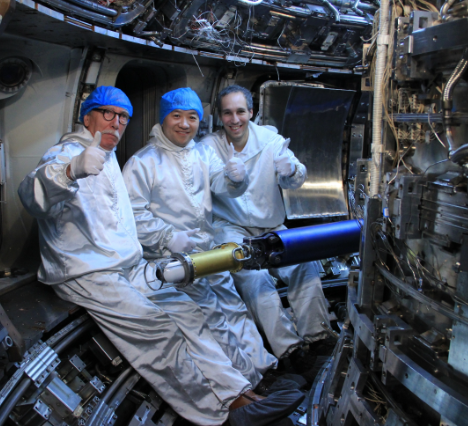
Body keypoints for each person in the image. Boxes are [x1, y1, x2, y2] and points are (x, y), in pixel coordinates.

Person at [17, 86, 301, 425]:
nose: (116, 123)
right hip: (87, 270)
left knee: (189, 311)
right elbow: (31, 194)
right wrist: (70, 171)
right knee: (158, 330)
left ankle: (241, 391)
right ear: (86, 117)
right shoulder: (71, 154)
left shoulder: (109, 156)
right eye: (108, 114)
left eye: (123, 117)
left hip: (128, 264)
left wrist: (235, 179)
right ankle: (218, 413)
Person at [122, 87, 277, 384]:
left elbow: (221, 184)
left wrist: (236, 179)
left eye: (192, 117)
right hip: (172, 261)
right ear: (163, 119)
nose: (184, 124)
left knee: (233, 306)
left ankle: (265, 367)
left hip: (208, 250)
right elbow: (131, 215)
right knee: (212, 317)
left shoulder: (202, 153)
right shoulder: (143, 162)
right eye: (176, 116)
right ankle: (247, 382)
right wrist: (168, 237)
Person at [201, 84, 331, 360]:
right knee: (255, 277)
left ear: (251, 112)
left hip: (271, 226)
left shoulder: (271, 141)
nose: (234, 119)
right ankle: (289, 350)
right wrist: (229, 178)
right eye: (227, 113)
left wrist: (292, 170)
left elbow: (295, 178)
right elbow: (207, 183)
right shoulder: (209, 147)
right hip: (231, 227)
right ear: (220, 116)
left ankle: (318, 337)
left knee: (304, 266)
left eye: (240, 112)